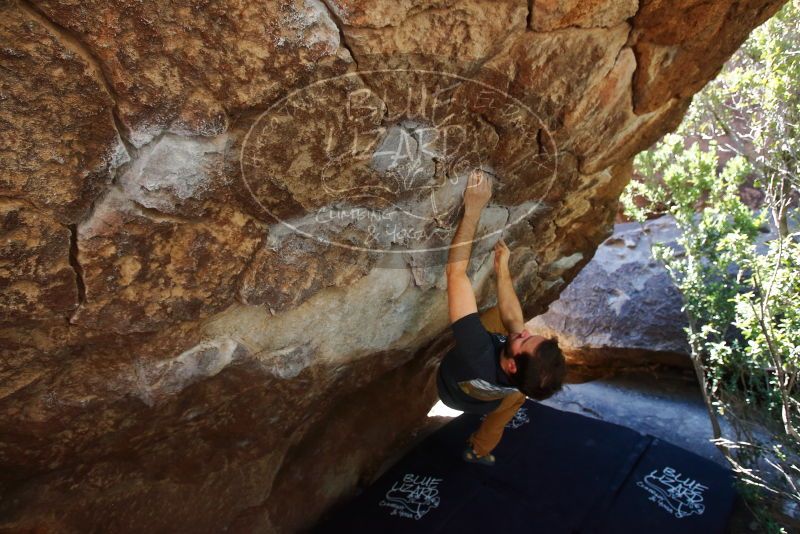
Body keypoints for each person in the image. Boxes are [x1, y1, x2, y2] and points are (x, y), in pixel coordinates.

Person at [436, 169, 567, 466]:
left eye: (524, 340)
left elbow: (456, 274)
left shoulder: (477, 350)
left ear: (509, 364)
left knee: (503, 329)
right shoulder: (524, 377)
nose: (523, 332)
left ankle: (479, 446)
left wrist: (473, 209)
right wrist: (503, 269)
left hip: (450, 385)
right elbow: (512, 318)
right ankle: (480, 449)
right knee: (517, 397)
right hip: (493, 396)